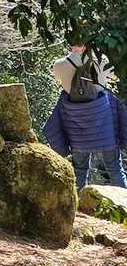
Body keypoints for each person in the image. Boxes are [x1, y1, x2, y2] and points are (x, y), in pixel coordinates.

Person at [42, 45, 127, 190]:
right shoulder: (100, 60)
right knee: (114, 168)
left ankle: (77, 202)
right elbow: (116, 76)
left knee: (79, 171)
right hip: (104, 126)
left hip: (77, 128)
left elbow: (58, 79)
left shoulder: (59, 65)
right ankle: (124, 201)